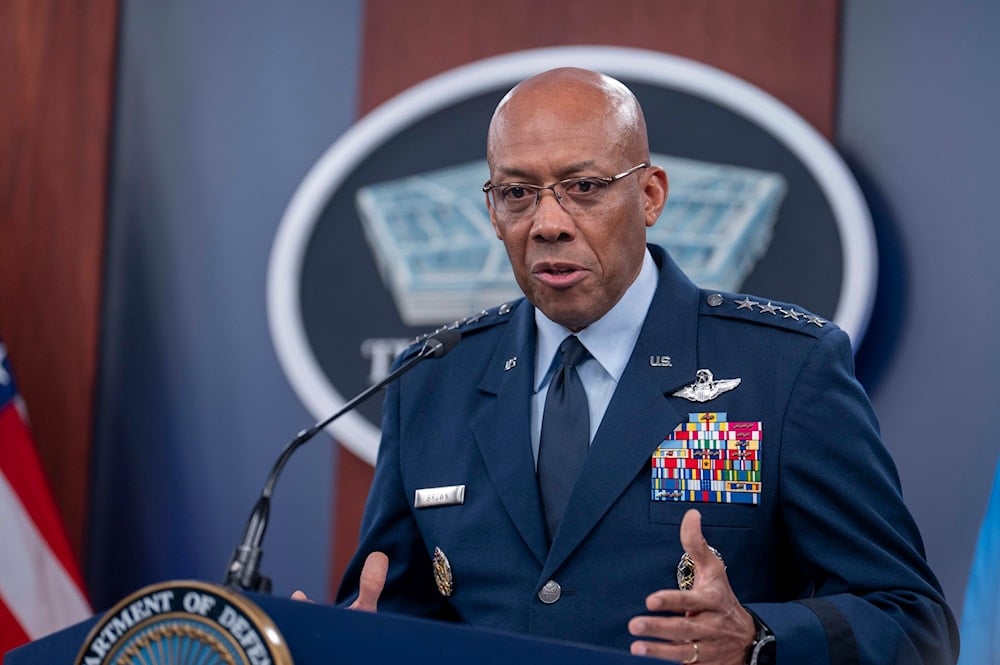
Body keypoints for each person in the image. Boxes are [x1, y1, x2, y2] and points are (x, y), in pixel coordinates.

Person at [333, 68, 959, 664]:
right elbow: (395, 608)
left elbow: (910, 619)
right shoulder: (430, 380)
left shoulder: (783, 368)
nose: (548, 224)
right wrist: (347, 639)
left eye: (584, 187)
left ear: (650, 194)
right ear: (493, 212)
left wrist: (759, 642)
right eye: (518, 193)